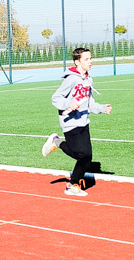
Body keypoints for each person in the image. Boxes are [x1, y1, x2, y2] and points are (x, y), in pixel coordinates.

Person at [42, 47, 112, 196]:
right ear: (77, 62)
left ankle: (73, 184)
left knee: (87, 156)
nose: (90, 62)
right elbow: (56, 98)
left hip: (84, 121)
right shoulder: (71, 79)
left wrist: (101, 108)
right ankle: (57, 143)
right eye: (86, 59)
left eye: (91, 58)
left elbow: (89, 102)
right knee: (81, 154)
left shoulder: (88, 79)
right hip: (70, 121)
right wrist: (68, 105)